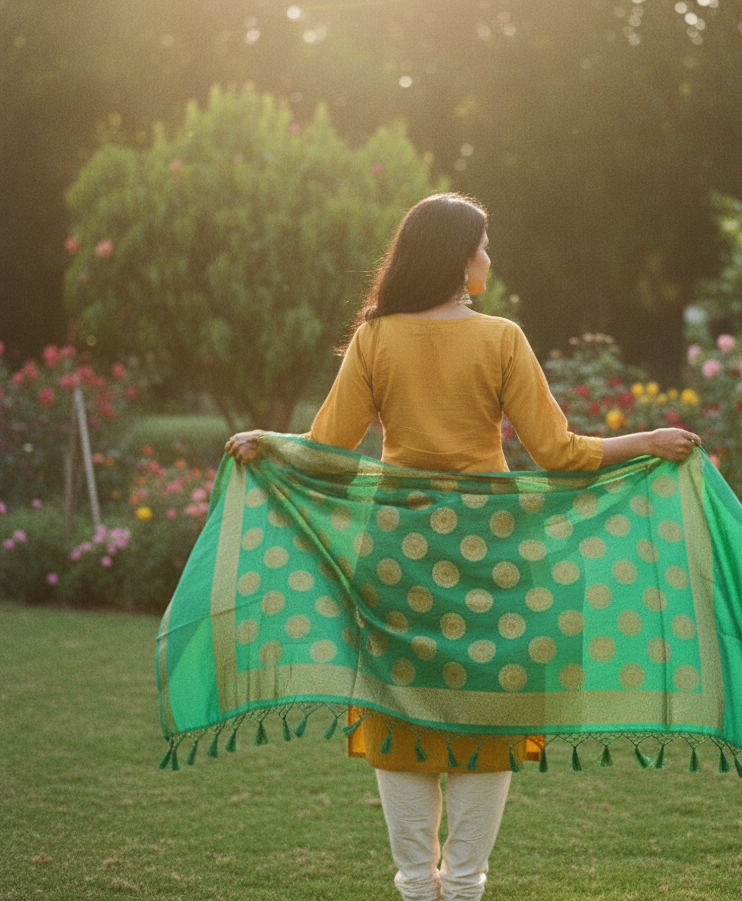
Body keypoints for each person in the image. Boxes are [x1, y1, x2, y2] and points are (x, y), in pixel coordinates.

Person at [224, 193, 700, 901]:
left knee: (397, 707)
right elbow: (559, 454)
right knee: (492, 708)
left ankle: (419, 885)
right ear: (456, 257)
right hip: (494, 554)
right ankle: (466, 884)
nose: (489, 258)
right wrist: (645, 441)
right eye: (481, 245)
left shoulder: (375, 338)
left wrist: (271, 443)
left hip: (397, 555)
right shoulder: (501, 337)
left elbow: (326, 453)